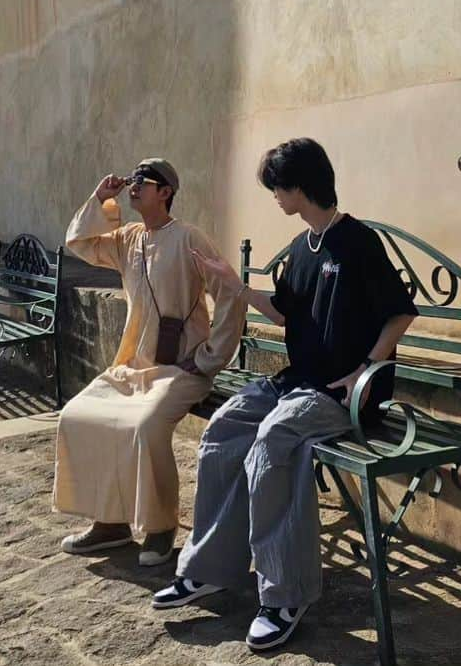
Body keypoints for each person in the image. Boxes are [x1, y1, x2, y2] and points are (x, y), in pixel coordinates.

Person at [152, 137, 417, 652]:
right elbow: (285, 311)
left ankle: (284, 595)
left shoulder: (358, 242)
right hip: (299, 382)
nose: (274, 195)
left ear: (300, 185)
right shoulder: (302, 248)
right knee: (224, 425)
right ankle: (206, 569)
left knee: (273, 443)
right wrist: (234, 284)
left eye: (277, 186)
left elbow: (400, 312)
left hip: (345, 391)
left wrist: (366, 368)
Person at [53, 158, 245, 567]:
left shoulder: (190, 238)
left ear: (166, 192)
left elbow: (230, 293)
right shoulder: (128, 238)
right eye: (133, 179)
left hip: (182, 370)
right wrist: (101, 200)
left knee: (145, 427)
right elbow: (81, 242)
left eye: (145, 181)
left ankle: (160, 527)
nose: (135, 185)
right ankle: (110, 523)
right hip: (133, 368)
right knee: (78, 415)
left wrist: (210, 357)